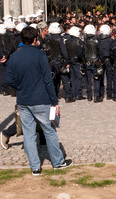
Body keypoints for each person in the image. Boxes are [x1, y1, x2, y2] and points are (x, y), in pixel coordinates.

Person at [6, 26, 72, 176]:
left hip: (23, 100)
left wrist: (21, 87)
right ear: (35, 40)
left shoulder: (15, 56)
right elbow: (48, 80)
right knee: (49, 131)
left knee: (29, 134)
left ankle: (35, 167)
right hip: (41, 99)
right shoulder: (40, 55)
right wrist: (54, 101)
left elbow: (9, 80)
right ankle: (57, 162)